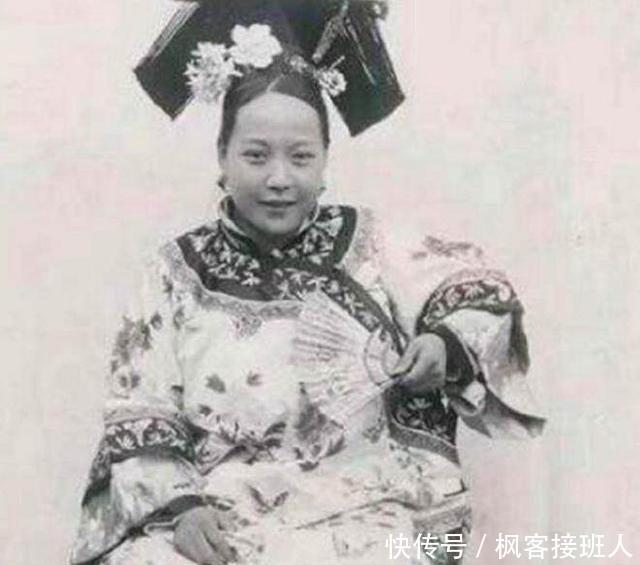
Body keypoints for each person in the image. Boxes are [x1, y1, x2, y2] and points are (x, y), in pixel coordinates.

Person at [69, 2, 545, 564]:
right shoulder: (174, 271)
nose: (279, 178)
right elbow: (140, 405)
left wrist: (444, 345)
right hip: (221, 505)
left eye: (300, 157)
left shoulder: (372, 243)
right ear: (222, 157)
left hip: (369, 499)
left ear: (324, 162)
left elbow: (479, 293)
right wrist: (181, 508)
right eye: (255, 156)